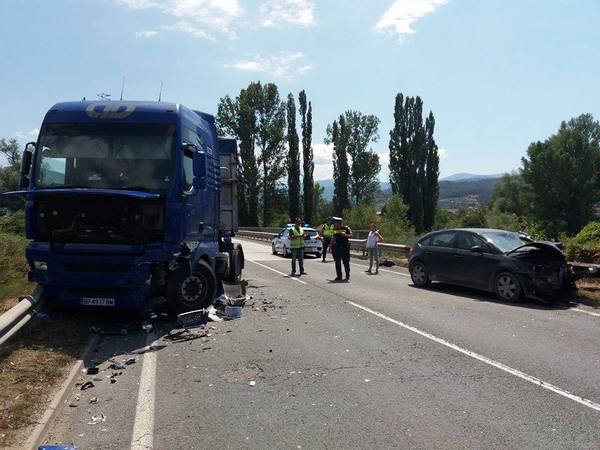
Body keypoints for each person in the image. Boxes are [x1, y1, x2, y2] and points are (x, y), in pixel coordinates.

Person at [329, 217, 352, 281]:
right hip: (337, 248)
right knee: (337, 262)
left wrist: (345, 235)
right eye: (334, 223)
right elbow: (333, 238)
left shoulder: (347, 228)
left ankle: (347, 276)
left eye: (335, 223)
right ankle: (339, 276)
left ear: (339, 223)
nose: (334, 224)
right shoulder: (334, 229)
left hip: (345, 247)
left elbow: (351, 235)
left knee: (346, 262)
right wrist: (330, 246)